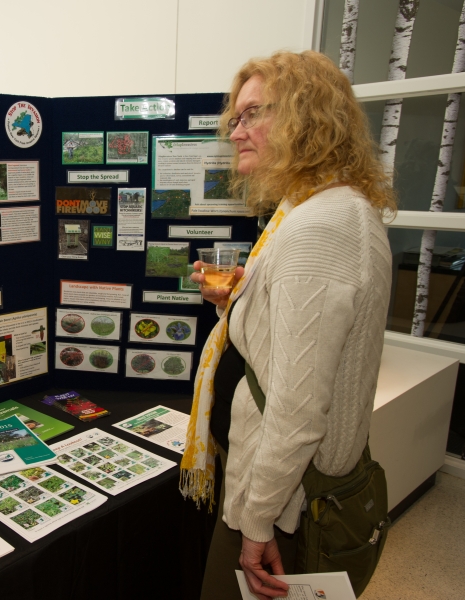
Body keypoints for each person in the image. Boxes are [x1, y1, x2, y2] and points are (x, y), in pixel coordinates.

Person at [179, 51, 396, 600]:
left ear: (307, 115)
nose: (237, 132)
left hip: (283, 505)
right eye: (235, 118)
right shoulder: (324, 210)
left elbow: (298, 411)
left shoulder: (320, 227)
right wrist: (233, 304)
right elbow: (286, 346)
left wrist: (257, 525)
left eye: (253, 114)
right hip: (281, 491)